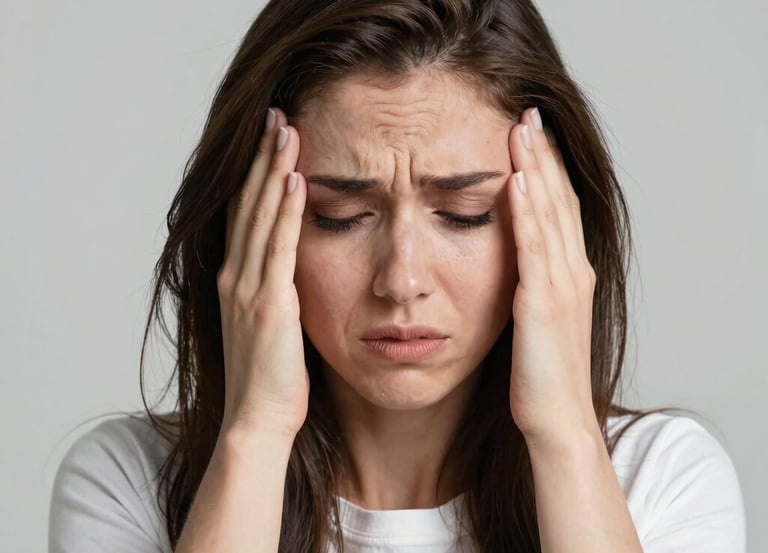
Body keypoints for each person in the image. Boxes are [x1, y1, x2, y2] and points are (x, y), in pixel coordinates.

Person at [48, 0, 746, 552]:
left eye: (466, 214)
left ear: (554, 222)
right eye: (341, 216)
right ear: (252, 223)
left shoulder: (661, 479)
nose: (402, 280)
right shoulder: (127, 480)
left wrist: (564, 435)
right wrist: (255, 435)